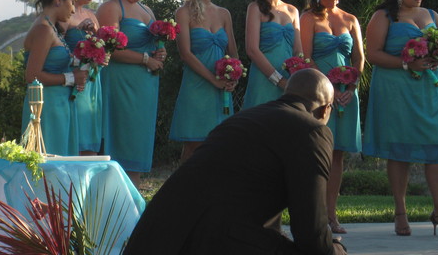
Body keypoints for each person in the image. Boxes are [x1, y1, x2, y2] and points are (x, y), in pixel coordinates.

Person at [123, 68, 347, 255]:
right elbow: (311, 231)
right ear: (325, 109)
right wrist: (337, 250)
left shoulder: (244, 119)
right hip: (213, 240)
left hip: (156, 237)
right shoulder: (312, 130)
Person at [362, 0, 438, 237]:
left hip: (431, 91)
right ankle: (400, 213)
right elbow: (374, 55)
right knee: (400, 152)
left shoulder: (432, 15)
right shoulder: (383, 16)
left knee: (437, 150)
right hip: (398, 92)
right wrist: (407, 64)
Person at [300, 0, 364, 235]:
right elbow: (305, 56)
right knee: (316, 152)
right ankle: (311, 214)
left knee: (337, 155)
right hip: (319, 91)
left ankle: (332, 215)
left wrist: (350, 86)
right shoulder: (308, 18)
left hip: (347, 93)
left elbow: (359, 57)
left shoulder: (350, 19)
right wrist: (327, 87)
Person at [96, 0, 165, 188]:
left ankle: (134, 193)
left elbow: (156, 41)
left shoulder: (147, 10)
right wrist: (145, 59)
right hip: (121, 81)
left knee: (139, 138)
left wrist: (160, 52)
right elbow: (111, 50)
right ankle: (115, 193)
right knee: (122, 135)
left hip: (146, 84)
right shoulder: (111, 8)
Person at [169, 0, 240, 163]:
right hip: (197, 85)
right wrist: (213, 79)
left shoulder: (224, 13)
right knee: (193, 145)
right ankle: (182, 192)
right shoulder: (183, 12)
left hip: (221, 89)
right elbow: (185, 54)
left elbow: (233, 53)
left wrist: (233, 77)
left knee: (221, 143)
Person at [21, 0, 88, 156]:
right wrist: (70, 78)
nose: (74, 9)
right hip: (46, 107)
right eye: (72, 2)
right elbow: (32, 76)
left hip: (60, 105)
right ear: (59, 0)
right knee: (50, 163)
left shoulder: (52, 27)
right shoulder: (43, 29)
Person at [242, 0, 302, 109]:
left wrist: (296, 79)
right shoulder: (255, 8)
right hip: (264, 79)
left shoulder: (293, 11)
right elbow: (252, 50)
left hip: (290, 82)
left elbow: (298, 51)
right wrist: (279, 80)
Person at [63, 0, 102, 155]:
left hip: (93, 82)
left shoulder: (92, 15)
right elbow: (58, 48)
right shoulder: (65, 15)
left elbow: (101, 49)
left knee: (90, 141)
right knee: (76, 139)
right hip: (74, 80)